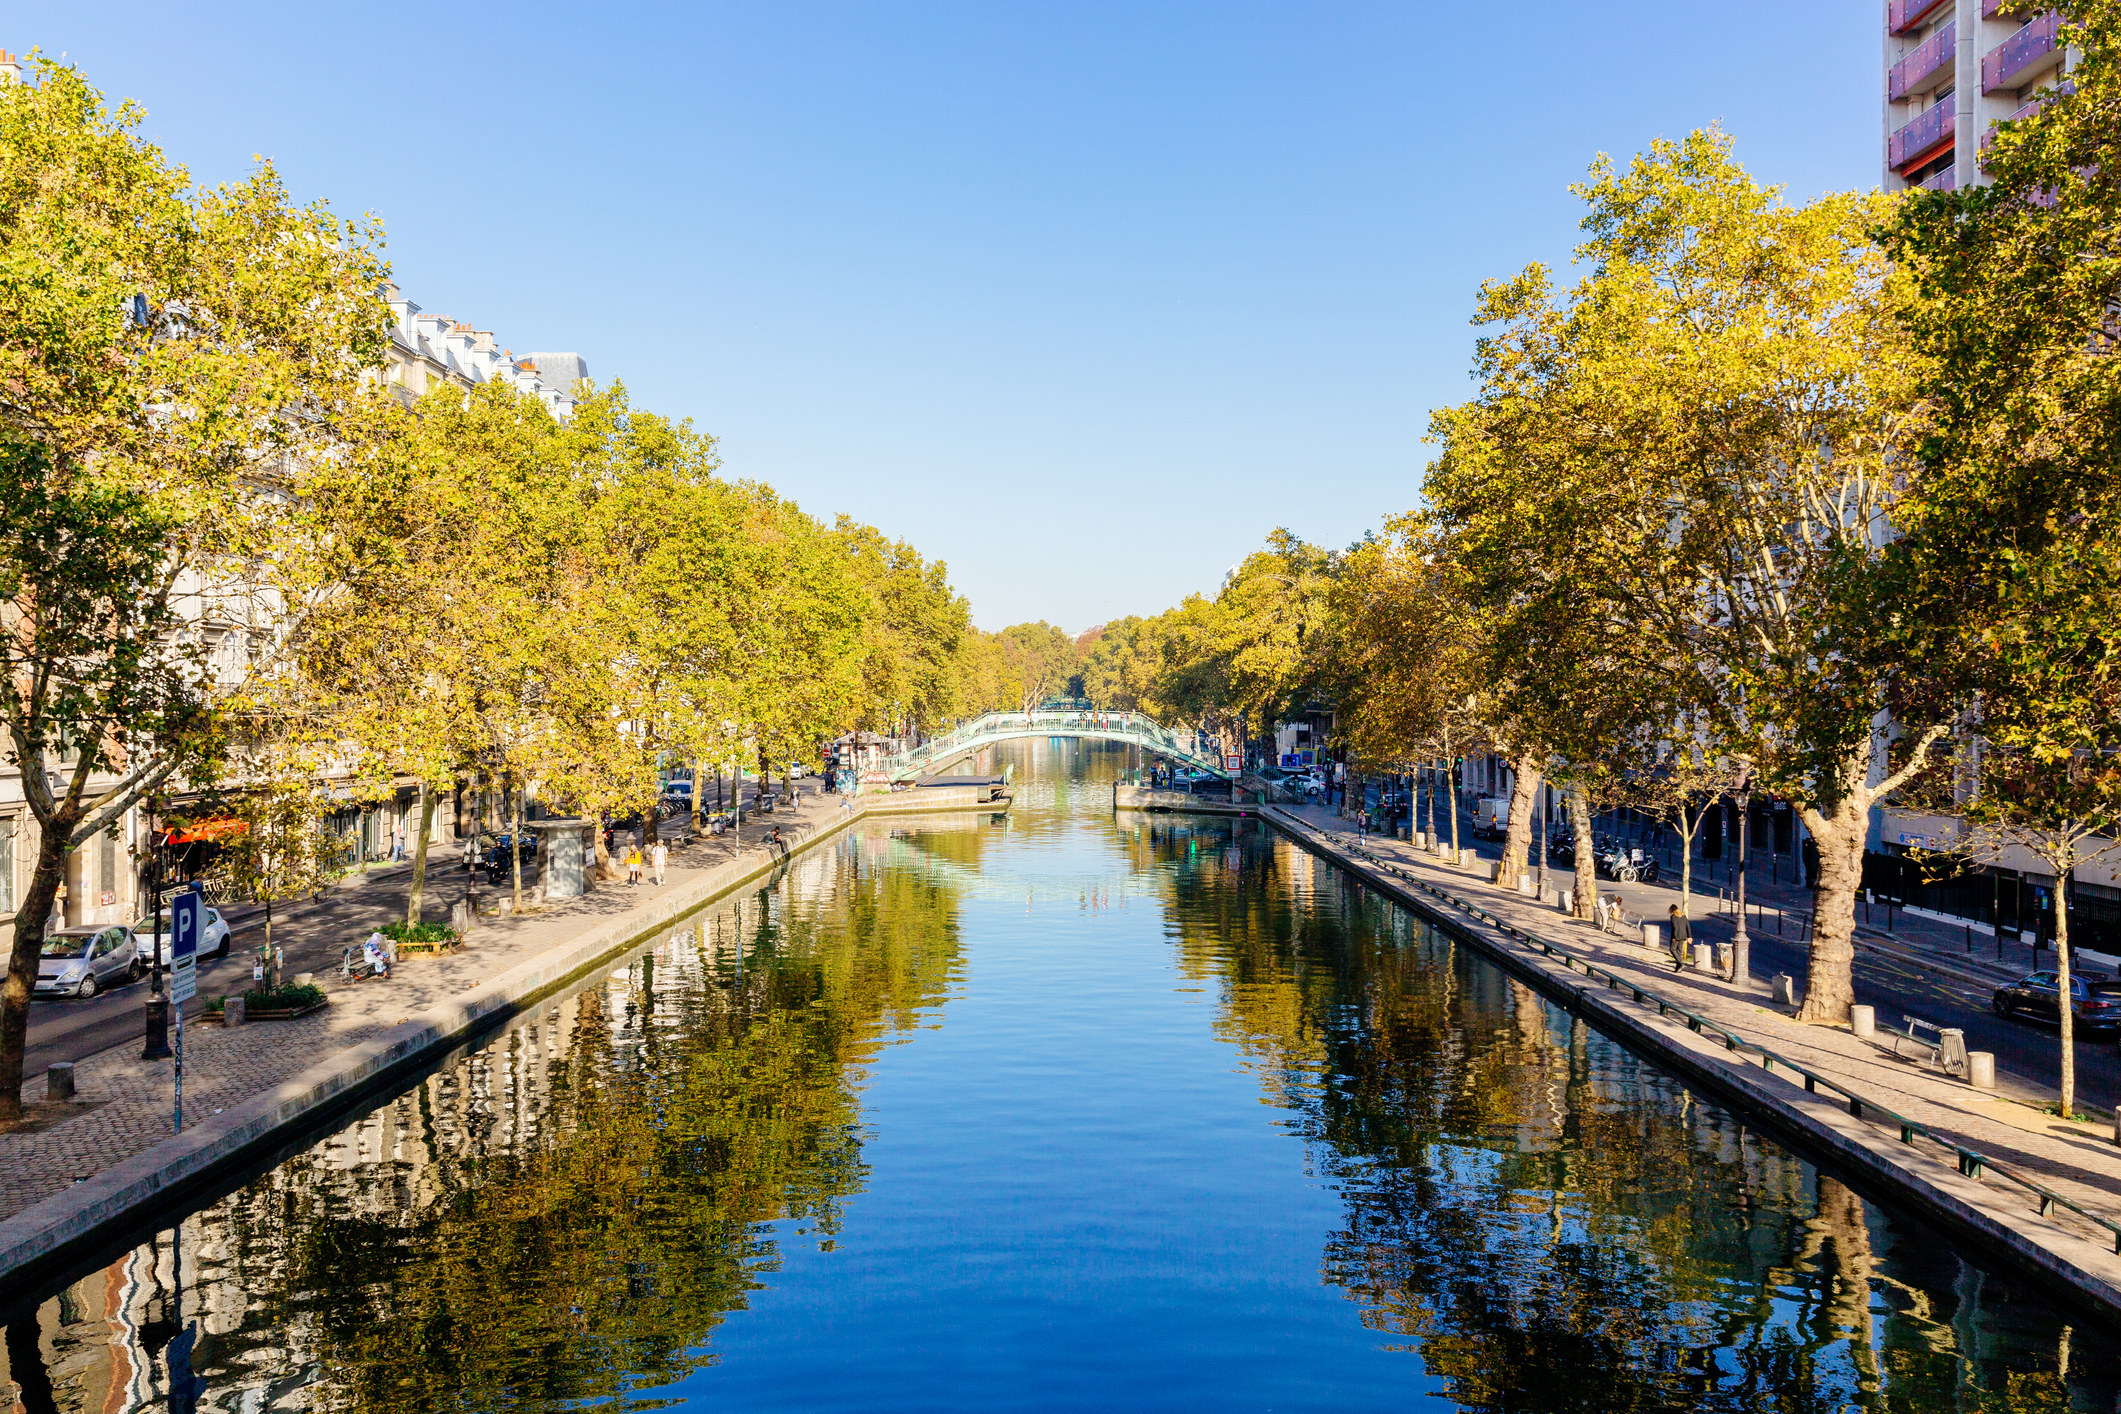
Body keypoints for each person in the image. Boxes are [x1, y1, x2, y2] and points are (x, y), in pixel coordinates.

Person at [1667, 903, 1693, 971]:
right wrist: (1689, 936)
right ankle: (1678, 968)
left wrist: (1673, 937)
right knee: (1679, 951)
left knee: (1672, 949)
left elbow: (1674, 927)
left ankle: (1680, 963)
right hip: (1683, 935)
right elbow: (1688, 926)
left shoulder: (1673, 917)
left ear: (1671, 910)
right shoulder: (1683, 916)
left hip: (1676, 936)